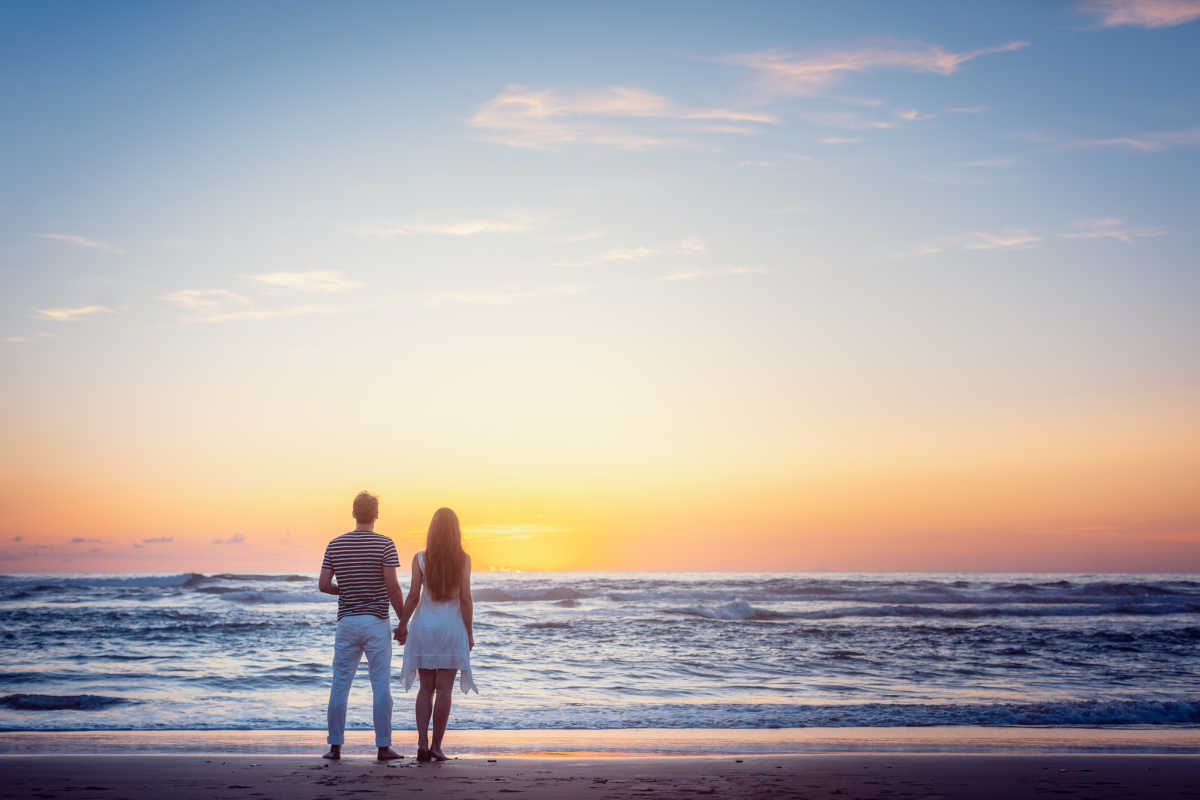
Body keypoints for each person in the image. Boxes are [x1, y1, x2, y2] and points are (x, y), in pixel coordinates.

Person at [318, 490, 405, 761]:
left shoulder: (335, 544)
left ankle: (335, 747)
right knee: (380, 684)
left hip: (347, 622)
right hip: (376, 622)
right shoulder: (385, 545)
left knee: (340, 683)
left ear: (354, 513)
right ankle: (383, 747)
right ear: (376, 514)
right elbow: (392, 586)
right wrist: (404, 620)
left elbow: (323, 585)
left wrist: (344, 591)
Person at [395, 507, 477, 761]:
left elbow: (412, 595)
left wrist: (402, 623)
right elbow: (465, 598)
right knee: (444, 690)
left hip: (425, 628)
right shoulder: (463, 559)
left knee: (425, 688)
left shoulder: (420, 558)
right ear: (456, 531)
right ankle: (437, 746)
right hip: (451, 628)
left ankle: (421, 744)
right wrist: (470, 632)